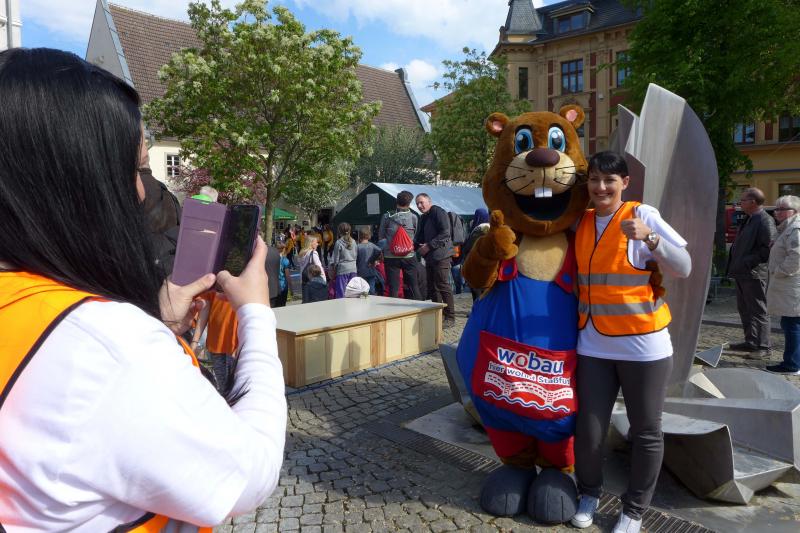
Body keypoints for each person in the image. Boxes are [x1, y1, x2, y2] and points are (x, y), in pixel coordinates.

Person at [0, 48, 285, 531]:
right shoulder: (108, 347)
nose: (139, 192)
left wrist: (158, 321)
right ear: (75, 181)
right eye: (135, 169)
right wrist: (256, 312)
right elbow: (248, 474)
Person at [569, 152, 691, 533]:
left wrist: (651, 239)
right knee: (589, 430)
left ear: (625, 183)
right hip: (594, 345)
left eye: (609, 180)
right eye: (594, 179)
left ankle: (634, 511)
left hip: (643, 348)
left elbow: (684, 266)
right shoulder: (582, 221)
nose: (600, 187)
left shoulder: (642, 215)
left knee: (646, 431)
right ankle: (589, 492)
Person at [726, 186, 777, 356]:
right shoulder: (749, 219)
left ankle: (763, 346)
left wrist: (747, 262)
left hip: (754, 273)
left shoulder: (764, 220)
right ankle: (751, 341)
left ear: (753, 202)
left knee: (758, 310)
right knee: (745, 309)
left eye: (743, 200)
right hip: (743, 272)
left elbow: (768, 249)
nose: (739, 203)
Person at [766, 195, 800, 374]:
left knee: (791, 323)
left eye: (782, 209)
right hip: (788, 284)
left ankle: (792, 364)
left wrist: (778, 271)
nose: (777, 212)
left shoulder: (795, 228)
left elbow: (796, 258)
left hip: (791, 285)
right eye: (776, 209)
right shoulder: (786, 228)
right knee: (791, 323)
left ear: (795, 211)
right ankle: (793, 361)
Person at [414, 193, 456, 327]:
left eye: (421, 202)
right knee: (432, 286)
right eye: (417, 203)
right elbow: (419, 238)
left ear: (429, 201)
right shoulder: (423, 217)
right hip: (430, 257)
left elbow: (445, 233)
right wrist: (414, 246)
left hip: (442, 255)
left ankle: (450, 317)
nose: (419, 205)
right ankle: (438, 315)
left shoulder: (438, 211)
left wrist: (429, 246)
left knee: (442, 285)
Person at [378, 190, 421, 300]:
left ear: (396, 201)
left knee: (393, 288)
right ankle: (418, 308)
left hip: (391, 256)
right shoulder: (414, 217)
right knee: (413, 286)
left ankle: (395, 309)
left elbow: (381, 236)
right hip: (409, 255)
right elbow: (415, 234)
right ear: (409, 203)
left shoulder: (387, 216)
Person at [460, 208, 491, 302]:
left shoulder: (479, 229)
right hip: (487, 265)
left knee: (477, 292)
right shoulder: (491, 229)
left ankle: (479, 308)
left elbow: (470, 247)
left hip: (476, 265)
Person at [330, 222, 358, 298]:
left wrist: (333, 270)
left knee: (341, 293)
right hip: (353, 268)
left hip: (342, 269)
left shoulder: (338, 242)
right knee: (353, 292)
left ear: (339, 231)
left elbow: (336, 259)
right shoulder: (354, 241)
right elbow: (356, 255)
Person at [356, 227, 383, 295]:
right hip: (371, 270)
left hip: (361, 271)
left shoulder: (357, 247)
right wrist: (374, 260)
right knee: (372, 289)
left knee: (363, 290)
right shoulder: (372, 245)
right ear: (369, 235)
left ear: (360, 236)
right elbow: (380, 251)